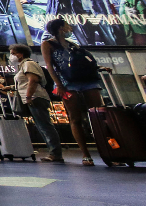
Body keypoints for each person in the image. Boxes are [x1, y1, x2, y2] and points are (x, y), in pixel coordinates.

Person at [41, 18, 104, 166]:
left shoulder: (73, 44)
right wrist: (58, 84)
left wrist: (98, 68)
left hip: (87, 81)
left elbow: (83, 62)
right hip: (67, 84)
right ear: (61, 28)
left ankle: (107, 149)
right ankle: (86, 154)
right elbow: (49, 66)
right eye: (67, 25)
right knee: (75, 117)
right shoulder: (48, 44)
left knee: (98, 115)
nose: (70, 28)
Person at [8, 44, 63, 162]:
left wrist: (28, 96)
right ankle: (54, 152)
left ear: (20, 54)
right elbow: (24, 83)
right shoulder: (23, 65)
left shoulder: (28, 64)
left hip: (36, 97)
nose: (11, 56)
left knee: (45, 125)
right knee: (42, 125)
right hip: (34, 97)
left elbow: (33, 80)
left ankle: (55, 153)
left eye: (13, 53)